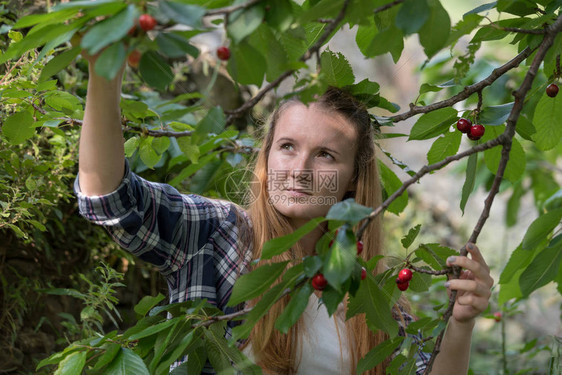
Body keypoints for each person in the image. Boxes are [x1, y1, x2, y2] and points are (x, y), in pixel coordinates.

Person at [75, 52, 494, 374]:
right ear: (268, 153)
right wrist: (104, 69)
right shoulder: (217, 235)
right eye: (288, 146)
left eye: (326, 155)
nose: (299, 170)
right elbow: (110, 199)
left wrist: (461, 323)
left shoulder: (376, 299)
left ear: (352, 179)